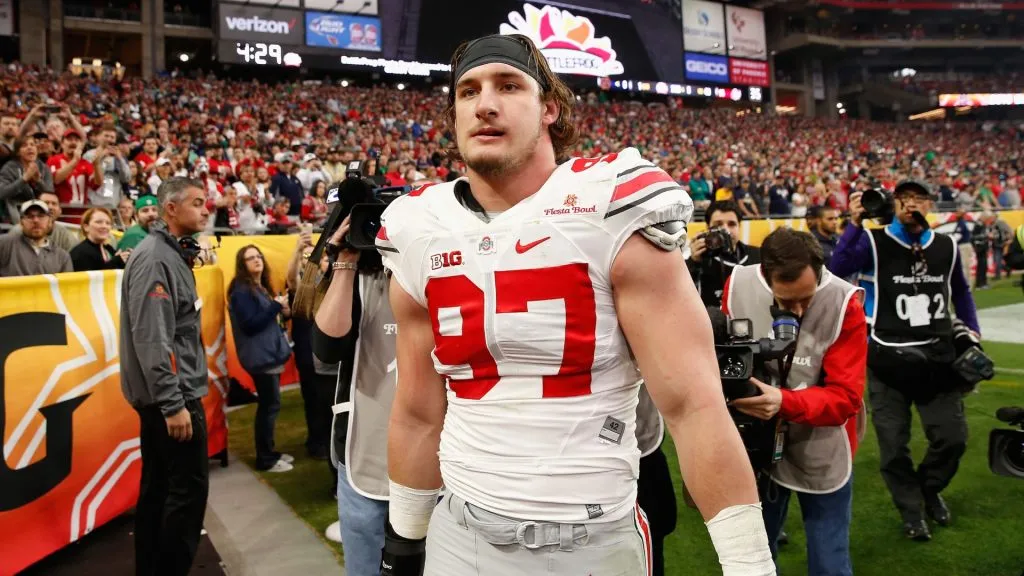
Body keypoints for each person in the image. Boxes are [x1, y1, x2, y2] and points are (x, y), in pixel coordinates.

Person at [377, 34, 773, 576]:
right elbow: (419, 413)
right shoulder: (419, 227)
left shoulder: (608, 206)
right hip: (460, 530)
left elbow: (694, 407)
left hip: (591, 541)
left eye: (508, 86)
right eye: (467, 92)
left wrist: (749, 565)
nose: (484, 103)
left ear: (549, 108)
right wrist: (403, 541)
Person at [832, 179, 979, 542]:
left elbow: (959, 290)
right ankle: (912, 511)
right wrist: (855, 224)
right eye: (904, 198)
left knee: (953, 438)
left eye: (919, 198)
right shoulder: (874, 240)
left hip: (937, 355)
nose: (911, 204)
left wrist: (972, 333)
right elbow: (836, 270)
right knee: (893, 447)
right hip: (887, 357)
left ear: (930, 204)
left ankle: (928, 488)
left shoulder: (946, 246)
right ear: (894, 204)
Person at [724, 228, 867, 576]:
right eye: (787, 302)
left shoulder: (843, 300)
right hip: (754, 443)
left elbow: (846, 398)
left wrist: (783, 402)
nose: (800, 310)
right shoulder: (739, 283)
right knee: (755, 559)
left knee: (830, 563)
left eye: (807, 297)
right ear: (765, 273)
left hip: (821, 446)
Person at [118, 177, 211, 576]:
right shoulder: (156, 258)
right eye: (198, 202)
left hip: (167, 396)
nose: (207, 209)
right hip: (173, 399)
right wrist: (174, 404)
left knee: (158, 492)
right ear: (170, 208)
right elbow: (153, 339)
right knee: (184, 497)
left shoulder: (166, 254)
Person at [310, 211, 398, 576]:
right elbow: (327, 349)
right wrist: (344, 262)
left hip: (438, 451)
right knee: (365, 566)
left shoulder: (435, 273)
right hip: (365, 447)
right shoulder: (358, 278)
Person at [227, 245, 295, 473]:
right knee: (269, 406)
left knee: (271, 405)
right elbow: (250, 325)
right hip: (260, 357)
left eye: (258, 256)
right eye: (250, 258)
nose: (256, 260)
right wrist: (275, 306)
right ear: (242, 264)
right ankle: (265, 458)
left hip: (269, 354)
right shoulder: (241, 291)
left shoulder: (257, 287)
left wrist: (280, 311)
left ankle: (270, 452)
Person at [687, 200, 762, 308]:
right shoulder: (699, 258)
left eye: (732, 224)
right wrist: (693, 262)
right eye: (718, 224)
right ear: (708, 228)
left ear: (739, 227)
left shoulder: (758, 255)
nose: (726, 229)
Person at [0, 199, 73, 277]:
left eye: (41, 216)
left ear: (49, 221)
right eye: (29, 216)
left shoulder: (62, 257)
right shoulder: (4, 244)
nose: (35, 220)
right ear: (21, 222)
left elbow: (67, 287)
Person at [0, 136, 54, 225]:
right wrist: (24, 179)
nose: (30, 147)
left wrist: (38, 181)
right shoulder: (9, 168)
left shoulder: (43, 168)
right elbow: (2, 193)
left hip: (40, 213)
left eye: (32, 145)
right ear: (18, 152)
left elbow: (50, 194)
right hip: (16, 214)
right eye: (24, 145)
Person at [6, 190, 80, 252]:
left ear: (60, 211)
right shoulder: (16, 232)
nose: (50, 207)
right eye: (46, 203)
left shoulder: (65, 235)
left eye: (54, 204)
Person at [69, 207, 131, 271]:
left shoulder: (108, 249)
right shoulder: (80, 252)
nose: (104, 226)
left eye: (108, 223)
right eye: (98, 222)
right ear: (86, 227)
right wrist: (115, 262)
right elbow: (93, 278)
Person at [806, 205, 840, 269]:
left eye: (836, 218)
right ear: (819, 221)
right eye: (830, 219)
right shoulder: (810, 242)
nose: (835, 222)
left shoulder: (839, 239)